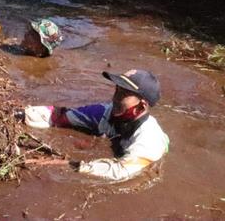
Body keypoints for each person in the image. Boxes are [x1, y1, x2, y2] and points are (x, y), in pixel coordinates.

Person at [23, 69, 169, 181]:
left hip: (143, 163)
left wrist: (65, 164)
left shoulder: (149, 141)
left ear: (141, 107)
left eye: (124, 94)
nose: (115, 98)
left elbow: (119, 172)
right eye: (117, 90)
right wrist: (21, 114)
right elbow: (60, 116)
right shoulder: (106, 112)